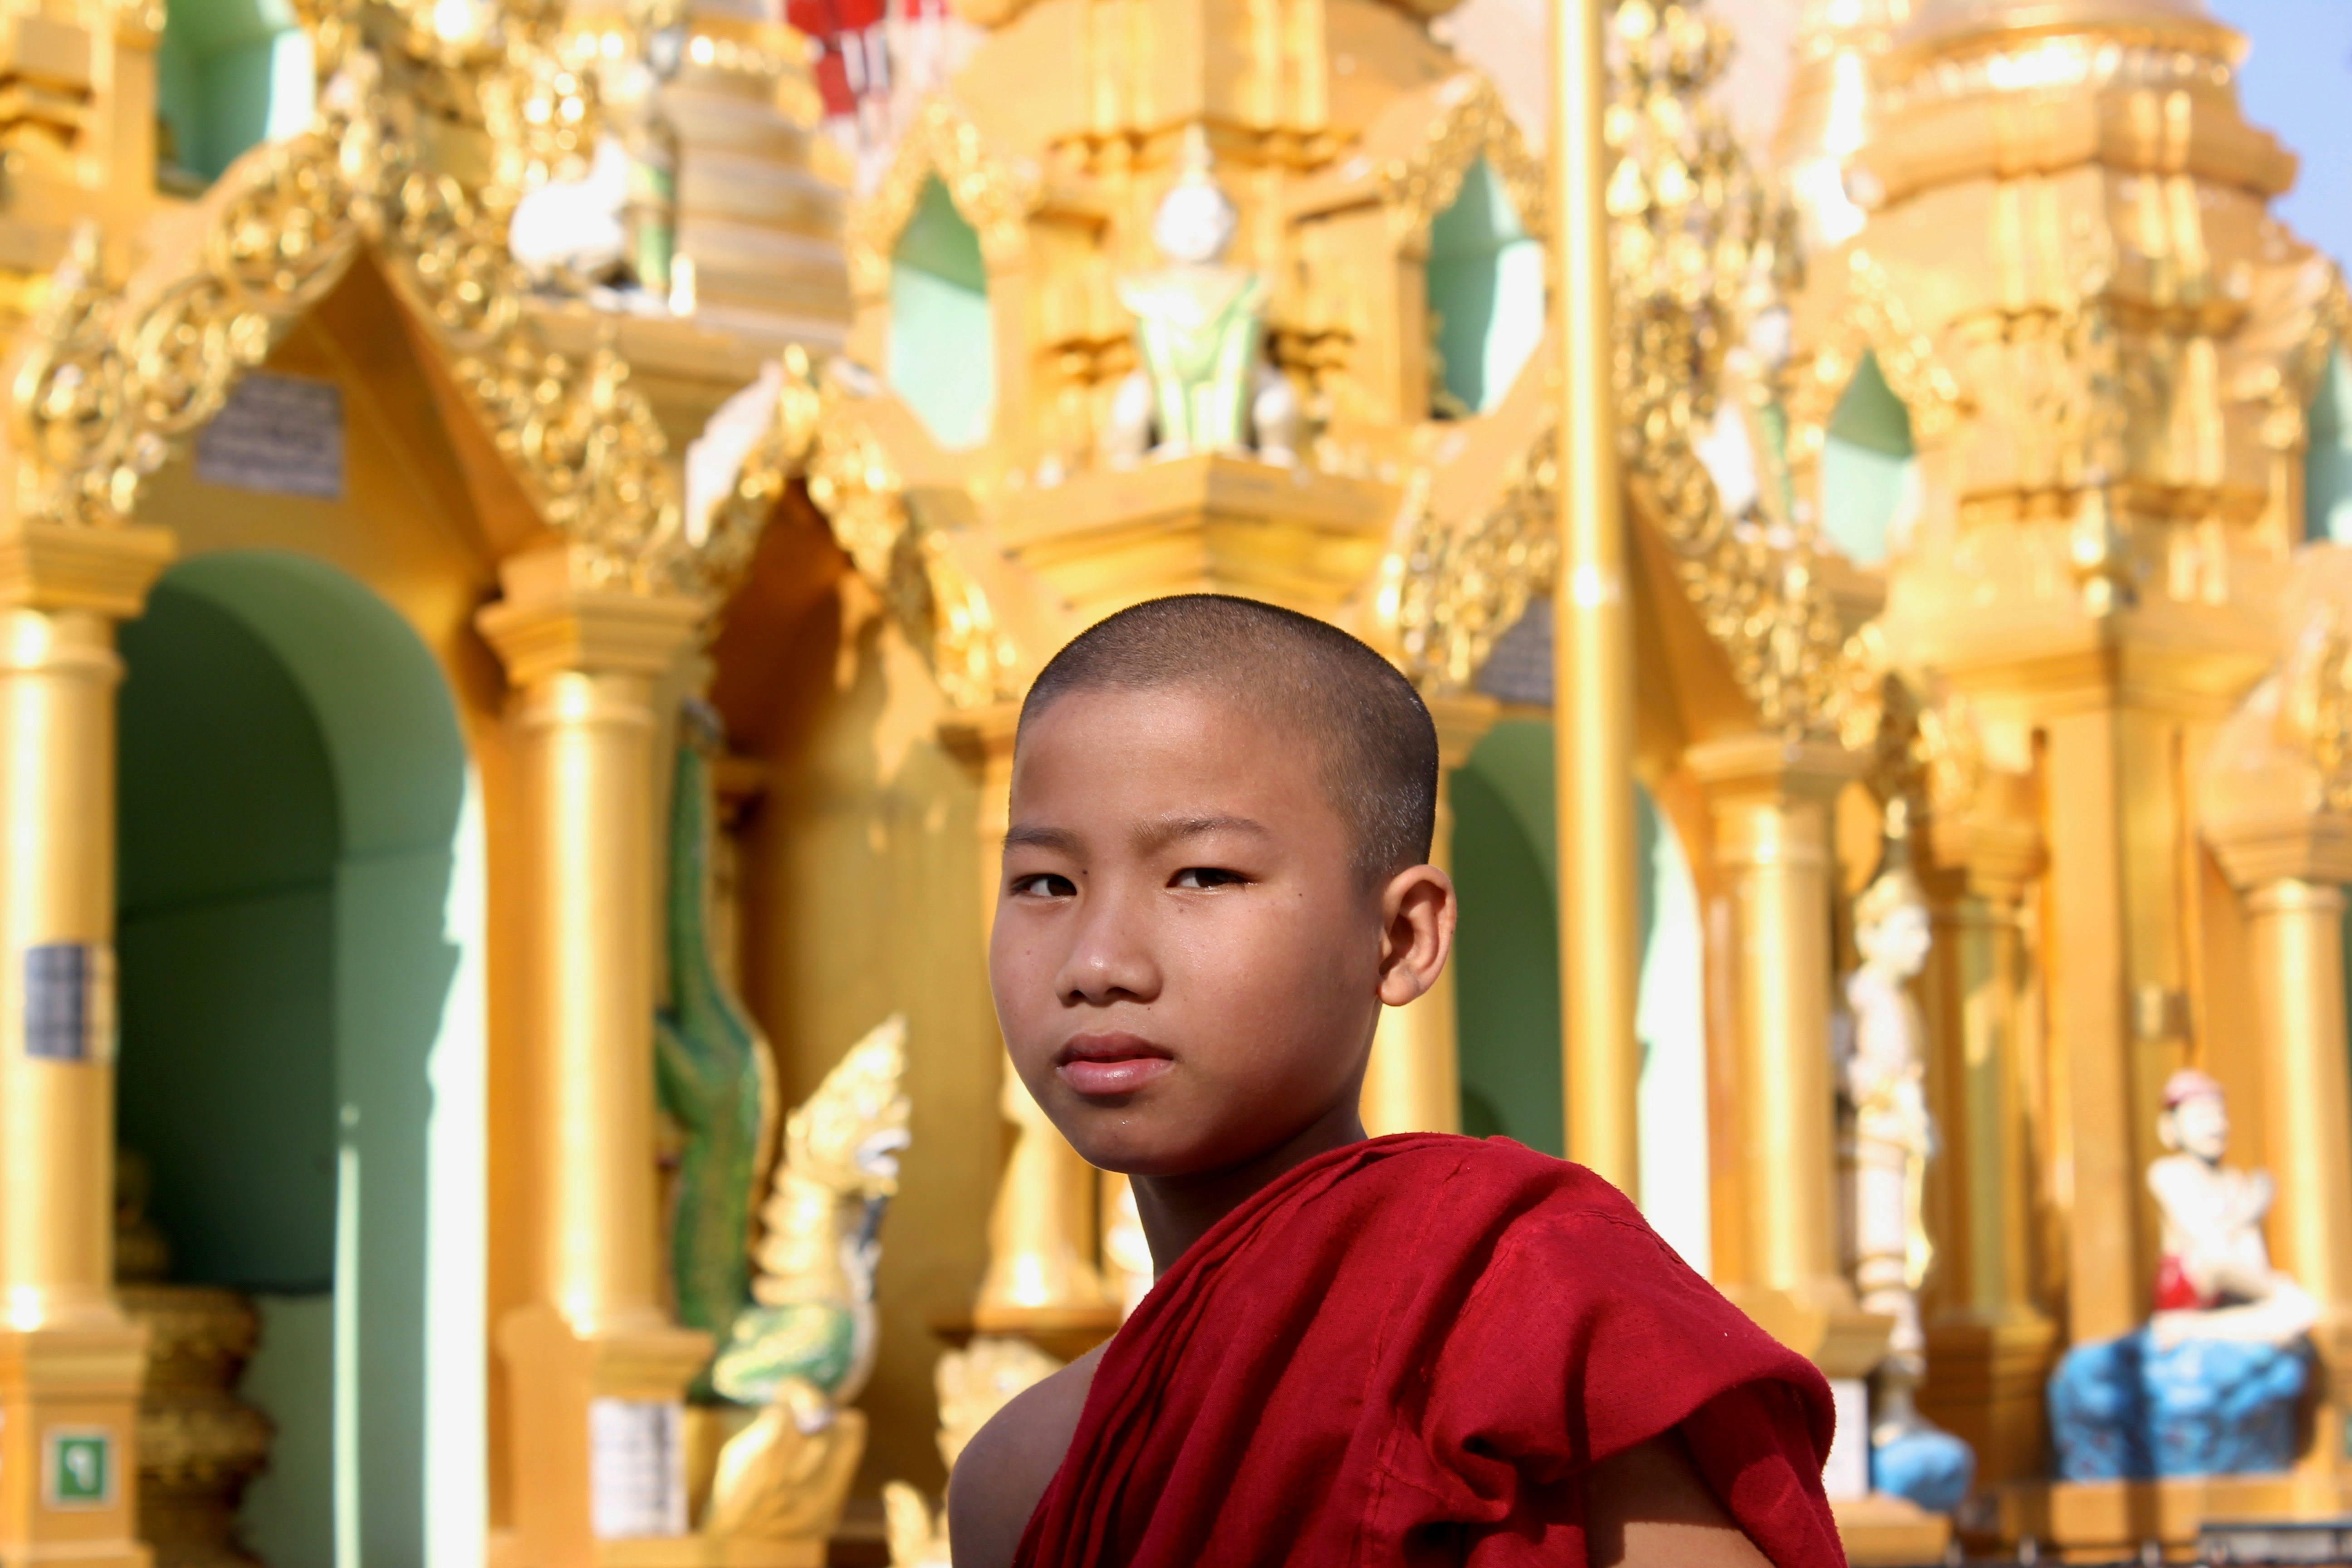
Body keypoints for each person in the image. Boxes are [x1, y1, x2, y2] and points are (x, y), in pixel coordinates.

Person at [950, 595, 1846, 1568]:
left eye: (1203, 875)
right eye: (1046, 883)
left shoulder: (1527, 1328)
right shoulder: (1022, 1478)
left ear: (1404, 935)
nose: (1099, 960)